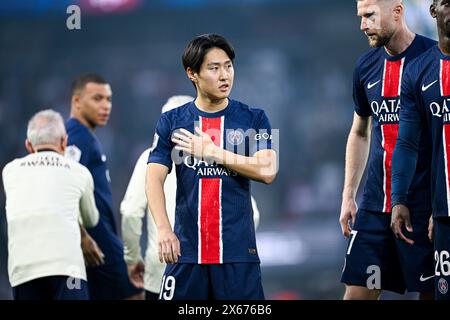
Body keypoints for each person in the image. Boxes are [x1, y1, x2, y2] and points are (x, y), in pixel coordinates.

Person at [146, 34, 277, 300]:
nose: (224, 75)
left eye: (228, 66)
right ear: (192, 73)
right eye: (214, 68)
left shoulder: (254, 117)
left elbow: (267, 170)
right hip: (187, 253)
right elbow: (153, 178)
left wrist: (212, 152)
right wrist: (163, 229)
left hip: (238, 255)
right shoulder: (172, 121)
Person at [120, 95, 263, 300]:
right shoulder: (217, 157)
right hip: (212, 264)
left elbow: (131, 212)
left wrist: (132, 258)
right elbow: (253, 215)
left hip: (161, 264)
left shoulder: (149, 159)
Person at [339, 0, 435, 299]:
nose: (362, 24)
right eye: (360, 17)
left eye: (369, 16)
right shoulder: (365, 67)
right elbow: (359, 131)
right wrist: (348, 195)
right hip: (374, 207)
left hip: (423, 206)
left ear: (397, 11)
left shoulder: (434, 58)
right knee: (357, 293)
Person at [2, 109, 99, 300]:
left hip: (24, 270)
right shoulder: (79, 172)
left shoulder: (9, 171)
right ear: (64, 142)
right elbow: (91, 219)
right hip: (67, 267)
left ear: (28, 145)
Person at [65, 73, 143, 300]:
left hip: (98, 238)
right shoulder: (76, 136)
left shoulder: (86, 137)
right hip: (98, 238)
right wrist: (82, 236)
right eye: (97, 98)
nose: (105, 106)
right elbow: (66, 185)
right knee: (136, 293)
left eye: (108, 99)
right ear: (77, 102)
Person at [391, 0, 450, 301]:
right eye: (447, 2)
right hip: (443, 215)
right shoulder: (419, 71)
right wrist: (399, 198)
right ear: (433, 11)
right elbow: (408, 142)